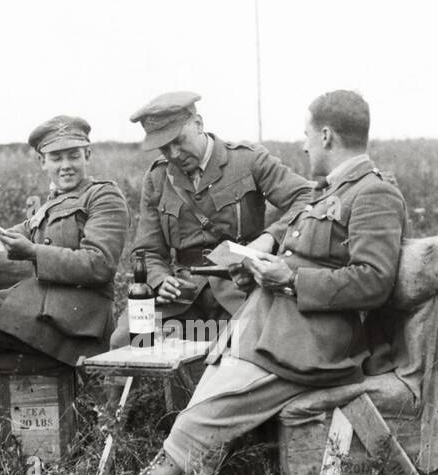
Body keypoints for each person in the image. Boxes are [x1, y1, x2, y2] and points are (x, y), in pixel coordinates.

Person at [31, 89, 407, 475]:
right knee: (189, 408)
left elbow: (371, 280)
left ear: (327, 135)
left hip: (302, 344)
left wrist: (282, 269)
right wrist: (171, 278)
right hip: (271, 330)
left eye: (308, 135)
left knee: (197, 420)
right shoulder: (335, 190)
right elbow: (149, 248)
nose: (304, 144)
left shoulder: (365, 190)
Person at [0, 116, 128, 382]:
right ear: (42, 162)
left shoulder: (103, 196)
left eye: (73, 156)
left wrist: (34, 253)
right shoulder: (47, 207)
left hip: (76, 321)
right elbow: (1, 241)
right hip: (38, 315)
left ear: (88, 155)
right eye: (56, 158)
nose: (66, 166)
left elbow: (99, 264)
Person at [113, 91, 314, 348]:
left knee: (261, 343)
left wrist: (269, 238)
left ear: (198, 124)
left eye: (179, 141)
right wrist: (159, 279)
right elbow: (147, 250)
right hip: (184, 296)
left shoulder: (248, 159)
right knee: (124, 339)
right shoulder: (158, 177)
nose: (173, 153)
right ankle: (126, 389)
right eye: (164, 147)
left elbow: (307, 196)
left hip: (241, 287)